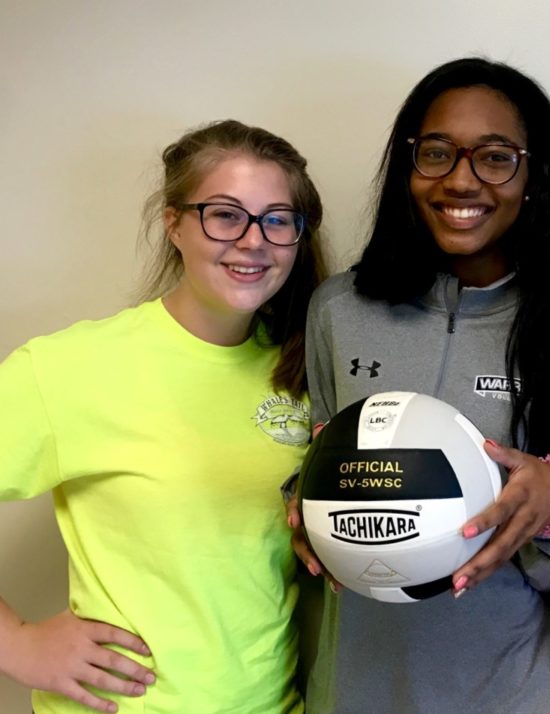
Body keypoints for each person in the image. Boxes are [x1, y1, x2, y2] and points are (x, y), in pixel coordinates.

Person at [287, 57, 550, 713]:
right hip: (352, 687)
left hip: (505, 691)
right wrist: (305, 505)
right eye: (437, 152)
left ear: (534, 176)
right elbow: (317, 462)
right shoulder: (338, 311)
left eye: (495, 158)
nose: (462, 180)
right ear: (408, 166)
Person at [0, 120, 325, 713]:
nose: (254, 240)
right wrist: (15, 644)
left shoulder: (302, 375)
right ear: (174, 224)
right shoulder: (69, 368)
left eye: (278, 219)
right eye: (225, 214)